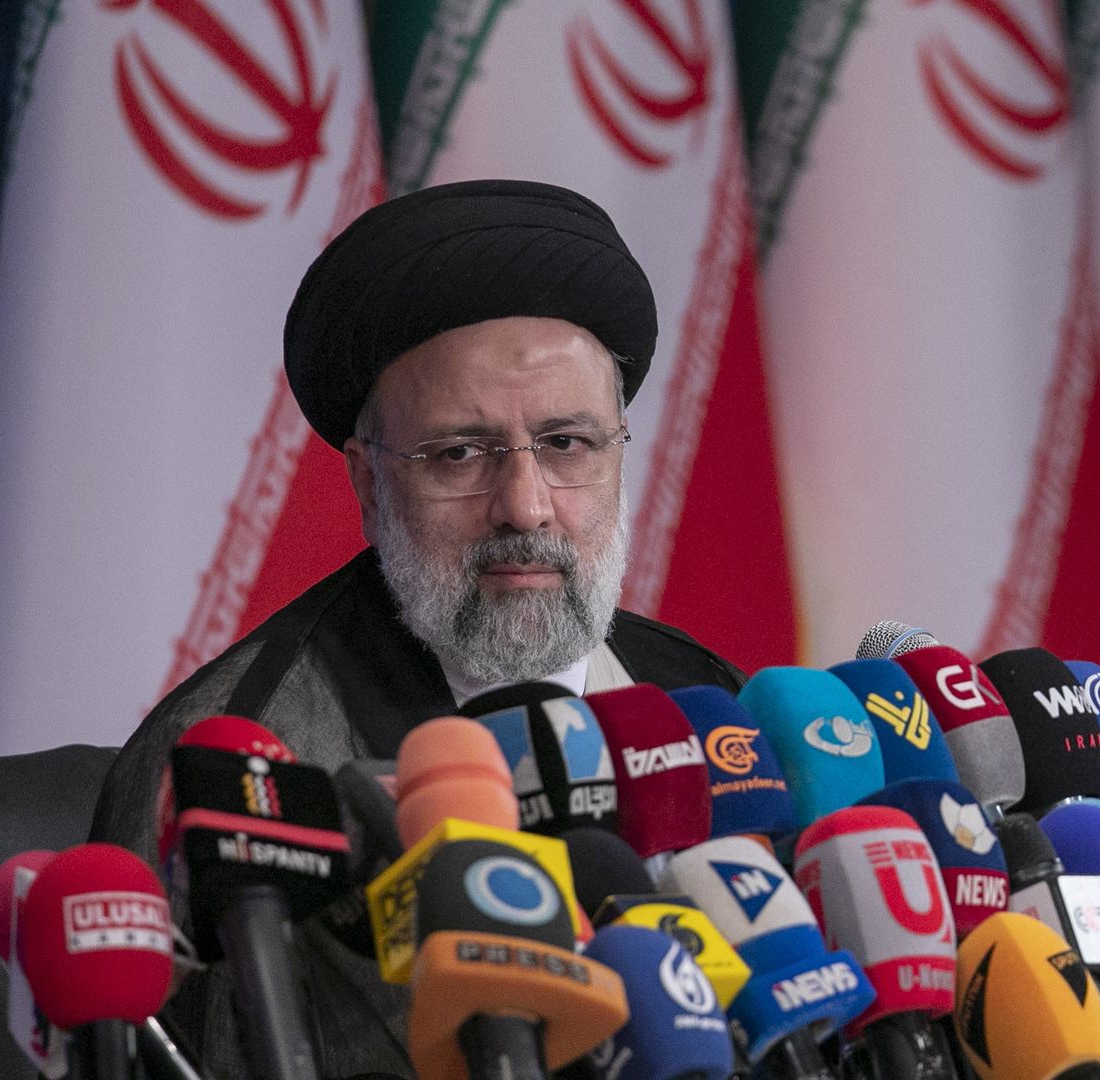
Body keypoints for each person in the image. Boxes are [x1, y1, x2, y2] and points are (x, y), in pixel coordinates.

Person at [89, 180, 745, 1078]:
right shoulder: (230, 765)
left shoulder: (703, 699)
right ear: (366, 482)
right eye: (458, 454)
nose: (526, 507)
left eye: (567, 443)